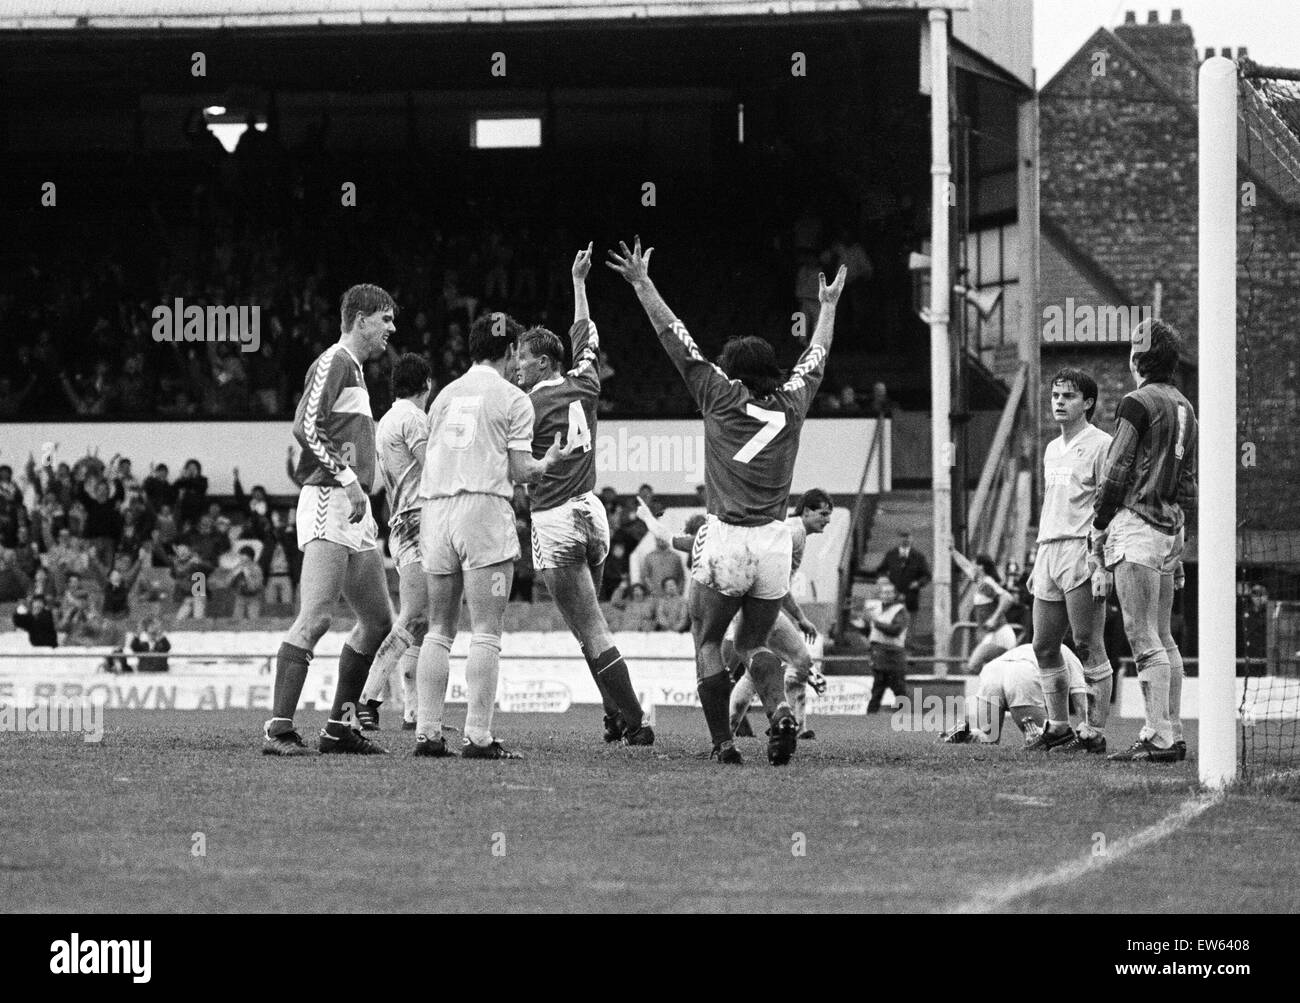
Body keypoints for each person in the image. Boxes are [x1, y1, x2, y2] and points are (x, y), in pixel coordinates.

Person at [608, 234, 844, 766]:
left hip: (726, 539)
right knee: (754, 644)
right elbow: (816, 357)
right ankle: (780, 712)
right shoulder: (793, 402)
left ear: (732, 369)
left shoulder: (718, 391)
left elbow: (676, 337)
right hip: (774, 543)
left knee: (709, 641)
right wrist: (827, 307)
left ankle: (724, 743)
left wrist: (642, 283)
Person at [514, 243, 652, 745]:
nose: (516, 367)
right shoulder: (586, 381)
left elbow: (518, 470)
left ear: (543, 361)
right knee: (587, 626)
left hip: (555, 519)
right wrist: (579, 282)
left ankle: (635, 720)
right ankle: (614, 715)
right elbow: (585, 333)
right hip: (593, 514)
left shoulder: (522, 407)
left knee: (590, 629)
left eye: (523, 359)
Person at [412, 310, 564, 759]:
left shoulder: (443, 396)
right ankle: (477, 735)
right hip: (482, 509)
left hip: (436, 510)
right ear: (511, 350)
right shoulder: (514, 398)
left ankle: (427, 731)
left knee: (438, 628)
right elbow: (521, 470)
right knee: (486, 630)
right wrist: (547, 464)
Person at [261, 284, 397, 757]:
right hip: (328, 497)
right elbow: (305, 426)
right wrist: (348, 479)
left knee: (378, 621)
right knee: (316, 618)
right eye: (385, 319)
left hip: (353, 507)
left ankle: (339, 729)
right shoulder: (334, 361)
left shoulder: (354, 369)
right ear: (360, 319)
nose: (391, 328)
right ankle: (278, 729)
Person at [1093, 320, 1198, 764]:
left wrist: (1100, 520)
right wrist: (1181, 530)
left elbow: (1117, 468)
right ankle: (1172, 731)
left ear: (1137, 359)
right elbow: (1188, 482)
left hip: (1137, 524)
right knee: (1163, 635)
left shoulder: (1137, 402)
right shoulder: (1185, 407)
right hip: (1170, 530)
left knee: (1140, 633)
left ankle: (1158, 735)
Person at [1024, 368, 1115, 754]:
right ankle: (1058, 727)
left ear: (1088, 402)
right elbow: (1052, 506)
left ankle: (1093, 732)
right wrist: (1037, 558)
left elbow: (1109, 505)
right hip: (1049, 550)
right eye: (1055, 395)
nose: (1059, 402)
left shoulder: (1102, 445)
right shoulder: (1050, 449)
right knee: (1043, 645)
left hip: (1082, 549)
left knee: (1087, 644)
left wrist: (1101, 560)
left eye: (1068, 396)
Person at [354, 353, 433, 733]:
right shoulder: (414, 419)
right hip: (419, 522)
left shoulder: (385, 421)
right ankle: (367, 699)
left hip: (401, 522)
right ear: (426, 385)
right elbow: (433, 469)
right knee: (414, 616)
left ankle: (414, 713)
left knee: (422, 622)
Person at [720, 488, 834, 739]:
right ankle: (794, 726)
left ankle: (727, 730)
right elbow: (772, 577)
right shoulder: (794, 533)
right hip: (760, 605)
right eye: (823, 513)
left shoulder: (790, 529)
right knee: (800, 660)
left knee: (752, 674)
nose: (827, 520)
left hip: (751, 603)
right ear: (807, 511)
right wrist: (801, 618)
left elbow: (777, 582)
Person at [941, 644, 1088, 746]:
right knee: (1052, 739)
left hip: (992, 670)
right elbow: (1081, 700)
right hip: (1022, 672)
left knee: (988, 738)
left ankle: (968, 733)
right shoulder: (1070, 656)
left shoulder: (1031, 645)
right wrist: (1090, 731)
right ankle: (1037, 733)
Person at [963, 554, 1018, 674]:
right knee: (984, 670)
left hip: (1000, 636)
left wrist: (994, 618)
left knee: (973, 666)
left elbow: (1008, 598)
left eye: (974, 564)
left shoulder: (987, 583)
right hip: (993, 636)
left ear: (981, 567)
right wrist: (953, 552)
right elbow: (965, 566)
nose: (971, 567)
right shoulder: (980, 581)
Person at [867, 576, 910, 713]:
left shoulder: (900, 610)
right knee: (877, 690)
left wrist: (876, 623)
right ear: (880, 595)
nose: (886, 595)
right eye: (884, 593)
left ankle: (904, 716)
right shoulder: (876, 609)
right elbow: (872, 633)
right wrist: (862, 626)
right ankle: (869, 717)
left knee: (899, 690)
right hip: (879, 655)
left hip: (894, 655)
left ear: (895, 594)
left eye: (889, 592)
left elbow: (895, 630)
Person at [874, 529, 930, 622]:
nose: (905, 539)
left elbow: (927, 575)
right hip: (892, 595)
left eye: (907, 537)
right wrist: (885, 582)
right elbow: (880, 571)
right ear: (898, 539)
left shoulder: (919, 556)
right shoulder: (891, 554)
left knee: (910, 624)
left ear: (912, 539)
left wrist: (918, 583)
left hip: (911, 596)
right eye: (902, 537)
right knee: (891, 622)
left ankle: (910, 632)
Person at [229, 545, 265, 620]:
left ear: (249, 556)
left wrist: (248, 575)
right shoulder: (238, 567)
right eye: (240, 555)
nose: (240, 557)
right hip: (240, 597)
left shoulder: (256, 568)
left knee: (253, 620)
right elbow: (228, 582)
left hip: (253, 597)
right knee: (237, 621)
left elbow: (255, 587)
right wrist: (233, 575)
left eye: (243, 555)